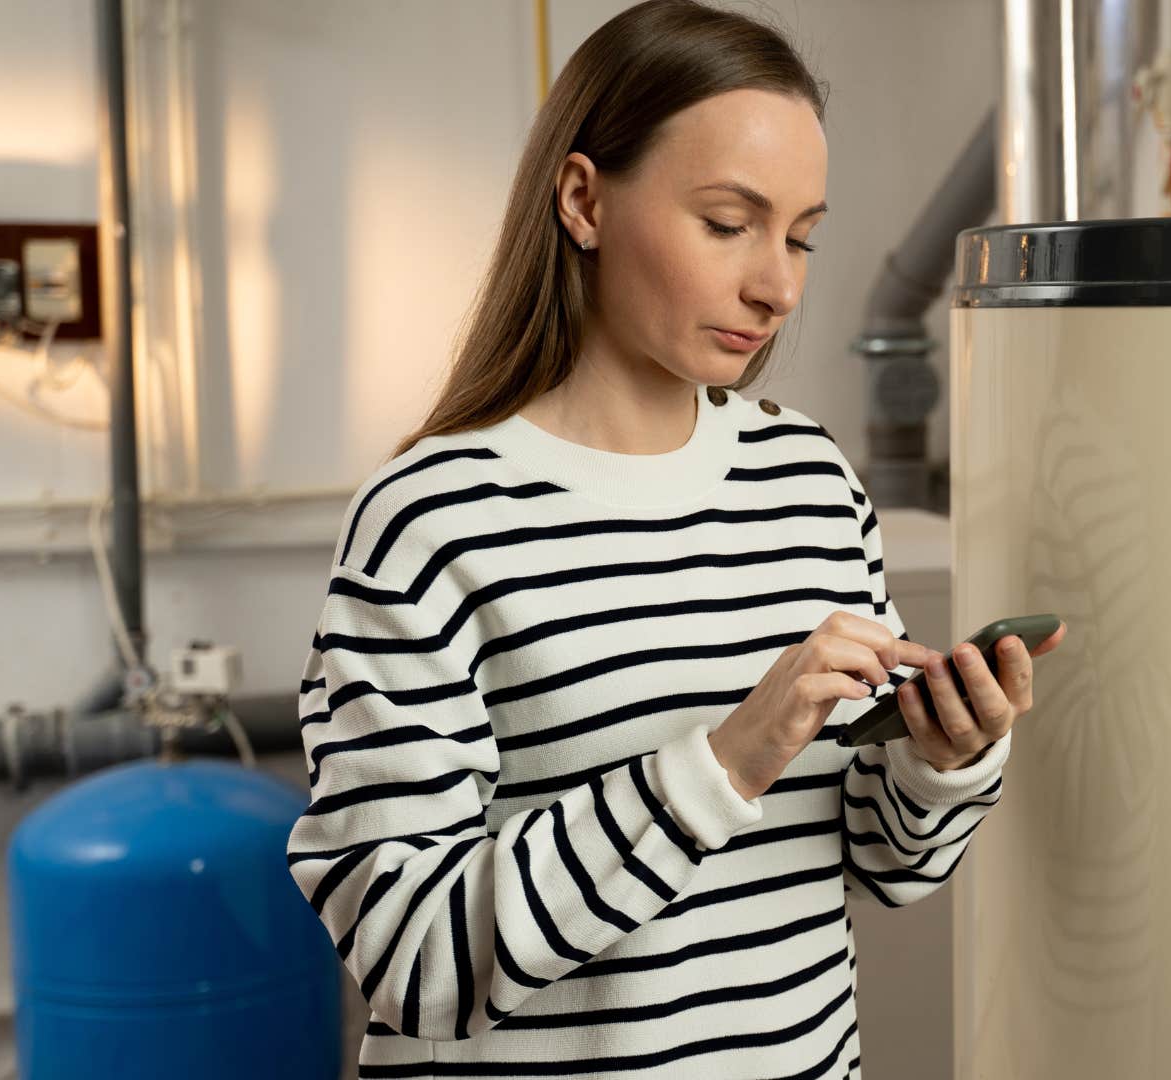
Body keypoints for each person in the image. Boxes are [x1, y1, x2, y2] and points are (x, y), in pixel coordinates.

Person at [284, 1, 1066, 1076]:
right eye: (726, 222)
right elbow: (412, 960)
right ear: (583, 200)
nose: (778, 286)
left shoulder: (811, 481)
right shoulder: (435, 517)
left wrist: (940, 762)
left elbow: (882, 864)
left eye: (799, 236)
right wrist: (723, 763)